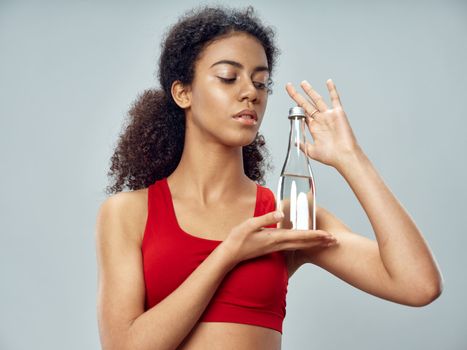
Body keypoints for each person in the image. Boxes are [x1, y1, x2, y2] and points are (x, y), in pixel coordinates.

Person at [94, 5, 443, 350]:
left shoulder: (287, 219)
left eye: (261, 81)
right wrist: (228, 254)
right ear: (183, 92)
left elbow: (418, 285)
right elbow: (124, 346)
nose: (251, 92)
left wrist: (351, 159)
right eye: (229, 77)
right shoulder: (128, 213)